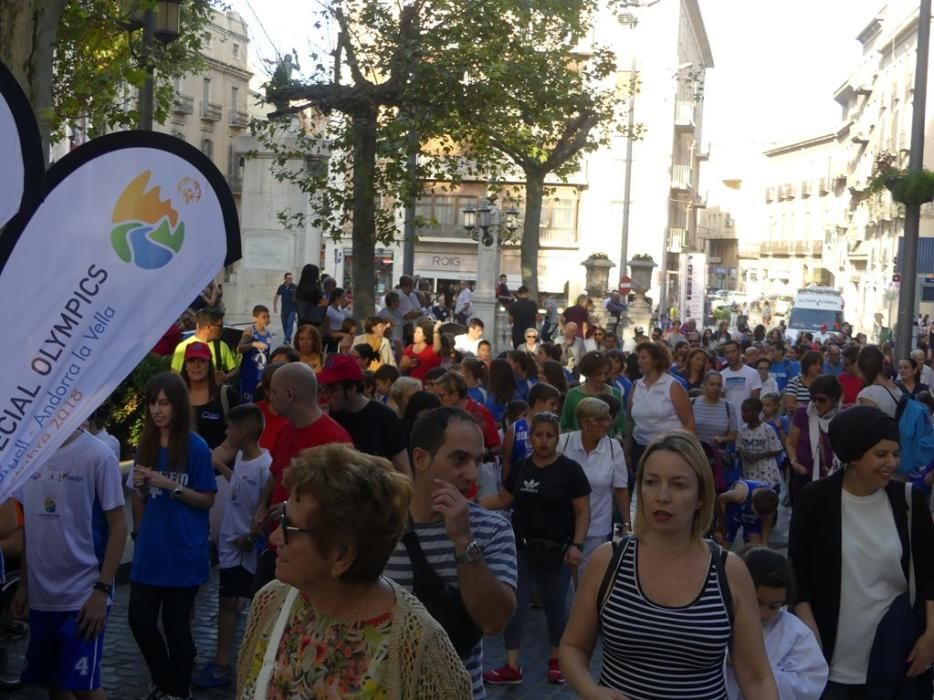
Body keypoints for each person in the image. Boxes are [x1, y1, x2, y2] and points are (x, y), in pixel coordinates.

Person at [237, 444, 472, 698]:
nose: (274, 538)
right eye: (282, 517)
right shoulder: (270, 602)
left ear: (342, 556)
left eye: (289, 528)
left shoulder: (418, 646)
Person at [559, 431, 778, 699]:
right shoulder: (608, 561)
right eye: (651, 482)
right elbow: (572, 648)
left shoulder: (729, 571)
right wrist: (591, 691)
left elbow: (757, 678)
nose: (662, 496)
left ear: (700, 496)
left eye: (678, 485)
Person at [789, 406, 934, 698]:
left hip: (897, 656)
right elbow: (797, 572)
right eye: (881, 454)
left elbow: (930, 573)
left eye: (895, 454)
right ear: (854, 455)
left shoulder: (909, 502)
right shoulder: (814, 501)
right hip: (828, 660)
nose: (891, 463)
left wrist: (931, 636)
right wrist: (808, 628)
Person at [385, 407, 518, 699]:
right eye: (459, 459)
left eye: (478, 461)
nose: (471, 474)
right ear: (420, 459)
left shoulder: (492, 529)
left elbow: (493, 621)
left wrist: (463, 540)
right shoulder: (376, 525)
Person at [13, 428, 126, 700]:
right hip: (42, 598)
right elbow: (32, 526)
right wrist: (24, 587)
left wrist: (101, 590)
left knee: (83, 687)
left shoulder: (99, 454)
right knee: (55, 683)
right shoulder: (27, 455)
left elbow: (118, 525)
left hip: (83, 596)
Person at [481, 412, 590, 686]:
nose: (543, 441)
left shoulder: (570, 470)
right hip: (522, 549)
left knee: (556, 606)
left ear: (557, 438)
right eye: (538, 435)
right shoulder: (521, 468)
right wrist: (470, 503)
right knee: (514, 606)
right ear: (530, 438)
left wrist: (577, 544)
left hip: (558, 551)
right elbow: (504, 499)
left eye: (549, 436)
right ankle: (512, 665)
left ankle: (557, 660)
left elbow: (582, 511)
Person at [127, 373, 218, 700]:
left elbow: (207, 499)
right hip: (150, 548)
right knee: (139, 619)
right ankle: (165, 679)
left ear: (178, 405)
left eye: (164, 402)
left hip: (183, 549)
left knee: (177, 626)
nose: (157, 410)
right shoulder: (146, 444)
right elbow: (139, 496)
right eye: (152, 403)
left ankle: (177, 690)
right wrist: (141, 491)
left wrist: (170, 486)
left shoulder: (195, 447)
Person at [252, 363, 353, 589]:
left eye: (274, 392)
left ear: (289, 394)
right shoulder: (285, 430)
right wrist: (261, 506)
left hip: (306, 557)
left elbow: (342, 503)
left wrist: (289, 507)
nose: (269, 397)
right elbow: (275, 474)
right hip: (276, 546)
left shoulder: (334, 441)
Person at [193, 405, 271, 689]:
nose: (227, 433)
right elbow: (238, 485)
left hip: (244, 549)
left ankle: (228, 664)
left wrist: (250, 538)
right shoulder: (241, 457)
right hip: (229, 545)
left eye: (230, 428)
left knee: (237, 603)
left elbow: (264, 508)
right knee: (230, 602)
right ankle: (225, 660)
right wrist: (222, 467)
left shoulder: (265, 465)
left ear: (245, 432)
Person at [725, 547, 828, 699]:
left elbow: (810, 682)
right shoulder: (719, 619)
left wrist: (757, 671)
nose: (764, 613)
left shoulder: (797, 633)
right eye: (757, 602)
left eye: (774, 606)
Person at [558, 397, 631, 565]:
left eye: (608, 418)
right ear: (584, 422)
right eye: (601, 419)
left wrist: (626, 524)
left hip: (598, 527)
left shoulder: (614, 448)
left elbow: (621, 489)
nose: (607, 423)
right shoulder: (563, 443)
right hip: (563, 526)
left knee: (588, 580)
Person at [317, 354, 412, 476]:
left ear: (352, 389)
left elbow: (403, 469)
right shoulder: (330, 415)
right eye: (324, 388)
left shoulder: (384, 417)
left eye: (332, 389)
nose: (326, 395)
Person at [629, 341, 696, 475]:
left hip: (669, 450)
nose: (638, 362)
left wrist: (687, 455)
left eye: (643, 358)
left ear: (655, 361)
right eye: (638, 358)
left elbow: (689, 423)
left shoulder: (673, 386)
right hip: (640, 449)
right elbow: (630, 421)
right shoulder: (636, 385)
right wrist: (627, 452)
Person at [501, 382, 562, 482]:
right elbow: (506, 462)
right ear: (538, 402)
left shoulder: (555, 427)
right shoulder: (515, 428)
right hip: (520, 484)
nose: (555, 408)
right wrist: (507, 485)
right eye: (552, 404)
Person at [179, 341, 233, 449]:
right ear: (185, 366)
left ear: (209, 365)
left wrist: (215, 459)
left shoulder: (226, 395)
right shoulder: (176, 396)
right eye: (191, 360)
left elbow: (240, 436)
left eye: (202, 361)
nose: (196, 366)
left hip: (217, 463)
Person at [560, 351, 625, 438]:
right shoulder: (573, 395)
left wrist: (617, 440)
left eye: (606, 374)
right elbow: (565, 425)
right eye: (598, 374)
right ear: (587, 374)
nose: (603, 378)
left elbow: (621, 426)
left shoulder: (615, 394)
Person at [170, 308, 238, 382]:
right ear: (208, 327)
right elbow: (175, 376)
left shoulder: (221, 346)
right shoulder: (183, 347)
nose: (222, 329)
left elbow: (234, 370)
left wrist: (226, 376)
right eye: (220, 326)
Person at [737, 397, 784, 490]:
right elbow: (738, 447)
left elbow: (778, 449)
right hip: (749, 475)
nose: (743, 415)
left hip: (767, 476)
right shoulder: (742, 430)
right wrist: (745, 454)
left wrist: (759, 456)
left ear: (756, 412)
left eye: (746, 412)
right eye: (742, 411)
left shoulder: (767, 429)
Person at [717, 479, 779, 546]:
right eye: (757, 512)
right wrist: (721, 523)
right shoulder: (739, 494)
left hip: (751, 520)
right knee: (723, 545)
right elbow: (720, 499)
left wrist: (764, 544)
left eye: (761, 515)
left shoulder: (771, 503)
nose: (758, 515)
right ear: (752, 502)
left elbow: (765, 526)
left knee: (755, 548)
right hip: (733, 514)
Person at [692, 370, 739, 451]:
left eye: (718, 385)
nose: (715, 388)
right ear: (705, 385)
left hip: (718, 455)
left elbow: (733, 435)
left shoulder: (729, 407)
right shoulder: (692, 403)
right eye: (712, 384)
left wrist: (722, 439)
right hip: (695, 452)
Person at [236, 304, 273, 403]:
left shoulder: (269, 334)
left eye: (268, 317)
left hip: (262, 375)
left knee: (260, 402)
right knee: (247, 403)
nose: (266, 319)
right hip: (249, 374)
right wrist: (253, 344)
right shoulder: (250, 331)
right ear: (255, 318)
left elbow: (267, 355)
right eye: (263, 317)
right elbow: (239, 348)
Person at [857, 344, 904, 418]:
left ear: (862, 369)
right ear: (882, 362)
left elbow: (870, 427)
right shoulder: (897, 388)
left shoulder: (867, 395)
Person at [720, 340, 762, 416]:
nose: (730, 355)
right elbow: (721, 401)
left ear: (739, 352)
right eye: (727, 352)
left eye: (733, 352)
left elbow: (755, 401)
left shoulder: (753, 373)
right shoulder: (721, 375)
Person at [273, 271, 297, 344]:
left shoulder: (295, 287)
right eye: (289, 278)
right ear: (285, 279)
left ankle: (286, 339)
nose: (290, 280)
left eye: (291, 278)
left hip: (292, 309)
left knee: (290, 325)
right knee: (284, 325)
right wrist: (275, 307)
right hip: (284, 310)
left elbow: (298, 298)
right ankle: (288, 338)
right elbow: (276, 297)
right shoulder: (281, 287)